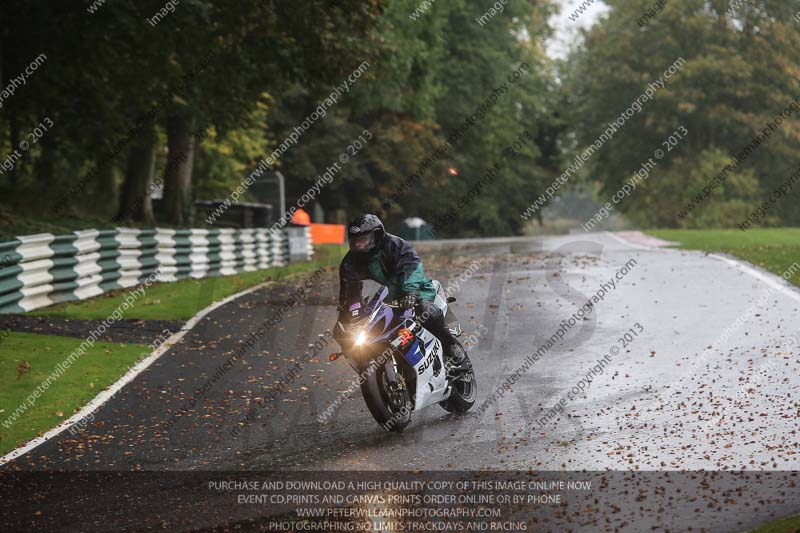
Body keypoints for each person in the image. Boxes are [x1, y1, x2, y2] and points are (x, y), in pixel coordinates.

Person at [334, 213, 465, 366]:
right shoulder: (350, 262)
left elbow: (412, 266)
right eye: (355, 241)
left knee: (426, 311)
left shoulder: (395, 245)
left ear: (377, 235)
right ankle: (366, 364)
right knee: (342, 332)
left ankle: (450, 345)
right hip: (382, 299)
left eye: (363, 240)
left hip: (413, 289)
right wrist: (350, 314)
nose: (358, 245)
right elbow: (350, 291)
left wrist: (410, 292)